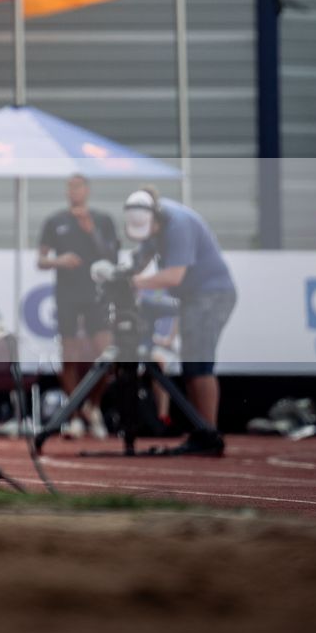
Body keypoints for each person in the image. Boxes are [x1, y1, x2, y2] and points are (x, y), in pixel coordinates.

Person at [122, 188, 235, 456]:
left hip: (210, 294)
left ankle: (208, 433)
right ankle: (202, 430)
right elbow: (140, 260)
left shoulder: (178, 224)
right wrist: (122, 274)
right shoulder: (154, 223)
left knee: (199, 365)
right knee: (192, 364)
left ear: (156, 217)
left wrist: (132, 282)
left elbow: (174, 277)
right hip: (195, 296)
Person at [37, 173, 119, 438]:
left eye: (79, 186)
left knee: (105, 353)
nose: (75, 192)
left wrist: (90, 230)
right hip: (67, 293)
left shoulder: (102, 220)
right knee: (69, 354)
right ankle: (74, 413)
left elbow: (112, 256)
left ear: (87, 190)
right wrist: (59, 261)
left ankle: (93, 406)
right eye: (70, 187)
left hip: (97, 292)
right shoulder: (55, 221)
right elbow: (41, 259)